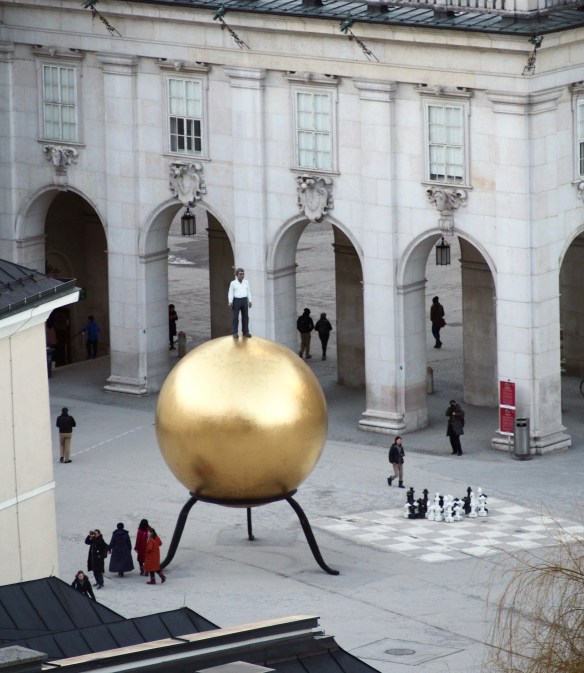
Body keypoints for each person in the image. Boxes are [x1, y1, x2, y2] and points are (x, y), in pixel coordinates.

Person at [228, 268, 252, 338]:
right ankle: (235, 332)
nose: (242, 275)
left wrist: (250, 300)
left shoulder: (246, 282)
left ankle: (245, 331)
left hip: (244, 300)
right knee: (235, 317)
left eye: (243, 274)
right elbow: (231, 293)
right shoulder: (233, 283)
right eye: (240, 274)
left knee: (245, 316)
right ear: (237, 275)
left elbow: (248, 292)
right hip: (236, 300)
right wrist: (230, 301)